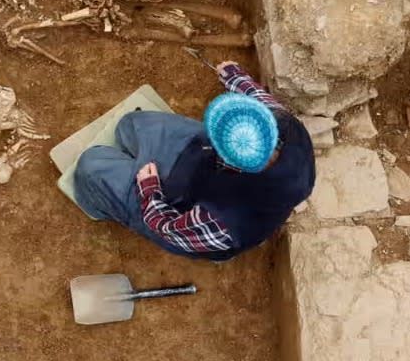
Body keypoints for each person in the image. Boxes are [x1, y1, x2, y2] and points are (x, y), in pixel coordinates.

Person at [73, 61, 315, 262]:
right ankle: (127, 170)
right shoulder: (285, 126)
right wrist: (234, 77)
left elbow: (168, 228)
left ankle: (101, 204)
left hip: (183, 208)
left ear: (225, 156)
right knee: (130, 124)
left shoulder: (221, 222)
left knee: (90, 166)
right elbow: (262, 101)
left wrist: (149, 191)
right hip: (199, 163)